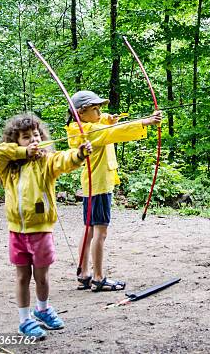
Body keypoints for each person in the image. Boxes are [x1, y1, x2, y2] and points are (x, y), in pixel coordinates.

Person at [0, 113, 92, 338]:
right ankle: (25, 320)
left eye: (36, 135)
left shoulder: (46, 162)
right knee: (22, 276)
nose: (33, 140)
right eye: (26, 137)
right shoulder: (9, 168)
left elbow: (63, 160)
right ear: (15, 142)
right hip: (16, 232)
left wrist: (79, 154)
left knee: (42, 276)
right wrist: (23, 153)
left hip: (41, 231)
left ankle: (43, 308)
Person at [66, 90, 162, 291]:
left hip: (94, 185)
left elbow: (103, 126)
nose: (100, 112)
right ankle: (98, 278)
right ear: (81, 112)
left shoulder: (83, 127)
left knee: (90, 230)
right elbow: (110, 133)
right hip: (98, 186)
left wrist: (108, 118)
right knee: (100, 232)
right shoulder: (88, 132)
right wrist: (145, 122)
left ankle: (84, 273)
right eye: (95, 109)